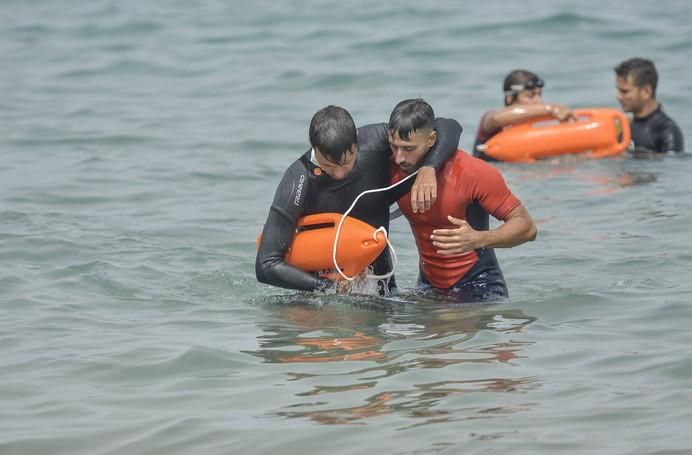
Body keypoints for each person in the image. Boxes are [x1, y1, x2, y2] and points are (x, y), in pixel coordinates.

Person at [255, 105, 462, 295]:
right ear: (314, 149)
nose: (338, 173)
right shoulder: (297, 180)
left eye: (346, 162)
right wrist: (330, 287)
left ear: (356, 141)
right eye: (328, 165)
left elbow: (448, 126)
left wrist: (429, 168)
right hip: (321, 301)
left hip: (383, 293)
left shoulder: (373, 141)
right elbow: (266, 265)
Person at [389, 98, 537, 302]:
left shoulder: (471, 172)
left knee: (448, 328)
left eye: (408, 149)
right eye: (394, 147)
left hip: (478, 284)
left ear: (431, 140)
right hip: (428, 285)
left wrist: (479, 239)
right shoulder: (393, 167)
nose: (399, 157)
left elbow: (527, 228)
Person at [473, 69, 575, 161]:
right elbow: (496, 118)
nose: (538, 101)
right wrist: (550, 108)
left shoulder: (535, 131)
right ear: (510, 98)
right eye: (530, 96)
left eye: (539, 95)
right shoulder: (490, 120)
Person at [614, 58, 684, 154]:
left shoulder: (667, 132)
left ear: (646, 92)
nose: (618, 97)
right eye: (618, 90)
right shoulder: (624, 126)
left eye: (625, 92)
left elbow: (672, 167)